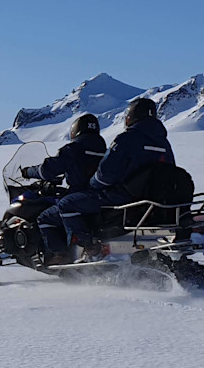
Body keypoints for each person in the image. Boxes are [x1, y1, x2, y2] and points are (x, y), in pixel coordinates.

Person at [34, 98, 175, 265]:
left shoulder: (127, 139)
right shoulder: (164, 143)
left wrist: (92, 185)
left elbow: (106, 174)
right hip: (152, 197)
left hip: (122, 195)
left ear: (130, 117)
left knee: (66, 204)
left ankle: (87, 249)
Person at [30, 113, 108, 193]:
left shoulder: (74, 148)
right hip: (102, 194)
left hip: (79, 193)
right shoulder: (105, 150)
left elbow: (49, 168)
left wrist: (28, 172)